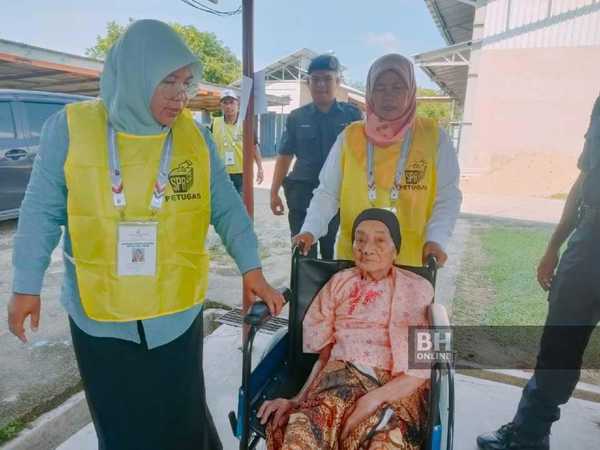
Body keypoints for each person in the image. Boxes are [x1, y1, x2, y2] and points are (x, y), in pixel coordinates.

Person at [6, 20, 283, 450]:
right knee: (122, 426)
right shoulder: (71, 128)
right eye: (167, 80)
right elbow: (41, 212)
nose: (181, 94)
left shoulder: (194, 136)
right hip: (100, 316)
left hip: (175, 312)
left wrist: (252, 267)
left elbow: (226, 207)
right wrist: (26, 285)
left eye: (186, 82)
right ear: (134, 75)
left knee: (182, 417)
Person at [476, 96, 600, 450]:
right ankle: (528, 436)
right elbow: (584, 178)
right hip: (590, 243)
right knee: (559, 348)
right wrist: (553, 247)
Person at [257, 208, 433, 450]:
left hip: (395, 392)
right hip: (337, 382)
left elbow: (425, 367)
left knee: (385, 441)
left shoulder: (421, 289)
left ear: (396, 249)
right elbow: (325, 353)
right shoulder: (339, 282)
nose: (367, 248)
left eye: (380, 240)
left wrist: (371, 401)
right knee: (301, 433)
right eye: (359, 239)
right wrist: (297, 399)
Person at [293, 54, 462, 267]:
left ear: (411, 91)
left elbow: (447, 196)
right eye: (380, 88)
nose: (388, 96)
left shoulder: (434, 138)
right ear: (369, 92)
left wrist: (436, 239)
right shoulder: (350, 136)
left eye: (397, 87)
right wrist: (310, 230)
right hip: (356, 259)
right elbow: (327, 192)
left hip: (411, 262)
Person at [270, 54, 362, 259]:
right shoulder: (296, 117)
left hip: (337, 196)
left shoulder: (352, 116)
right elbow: (285, 155)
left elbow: (363, 157)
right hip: (301, 194)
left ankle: (332, 291)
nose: (321, 84)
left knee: (334, 254)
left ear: (337, 82)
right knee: (303, 253)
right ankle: (304, 291)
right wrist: (274, 192)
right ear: (308, 82)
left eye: (327, 79)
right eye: (316, 79)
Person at [211, 89, 264, 195]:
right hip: (221, 173)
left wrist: (260, 168)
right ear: (221, 105)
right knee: (224, 206)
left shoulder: (246, 123)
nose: (228, 106)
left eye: (231, 102)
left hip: (242, 173)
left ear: (237, 104)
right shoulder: (215, 123)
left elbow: (254, 146)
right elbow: (209, 148)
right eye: (225, 103)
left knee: (241, 204)